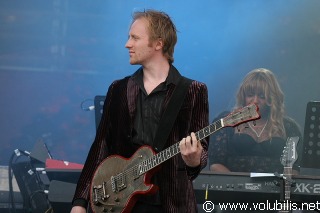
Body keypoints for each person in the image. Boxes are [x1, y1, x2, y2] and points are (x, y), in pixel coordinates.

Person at [71, 9, 209, 213]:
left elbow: (203, 149)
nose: (127, 44)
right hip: (122, 203)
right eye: (129, 37)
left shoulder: (193, 91)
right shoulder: (118, 89)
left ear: (158, 44)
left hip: (172, 203)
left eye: (135, 38)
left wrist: (195, 159)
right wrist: (80, 202)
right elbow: (101, 145)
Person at [208, 68, 302, 212]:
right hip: (232, 198)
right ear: (243, 96)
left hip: (275, 198)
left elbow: (294, 169)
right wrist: (240, 185)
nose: (255, 101)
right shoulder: (227, 120)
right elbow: (215, 164)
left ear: (272, 98)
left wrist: (285, 196)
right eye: (250, 95)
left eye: (262, 96)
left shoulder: (288, 127)